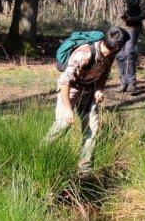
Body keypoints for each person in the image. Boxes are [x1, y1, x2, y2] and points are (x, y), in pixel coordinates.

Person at [45, 26, 129, 173]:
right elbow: (65, 82)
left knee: (92, 128)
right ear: (117, 46)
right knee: (63, 124)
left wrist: (99, 90)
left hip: (89, 90)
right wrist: (67, 109)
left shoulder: (110, 55)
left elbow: (104, 73)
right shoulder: (83, 54)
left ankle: (85, 169)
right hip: (71, 90)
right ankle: (40, 151)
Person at [73, 0, 145, 94]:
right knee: (119, 55)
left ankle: (132, 84)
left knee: (129, 53)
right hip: (119, 29)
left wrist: (134, 19)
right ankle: (123, 84)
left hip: (133, 28)